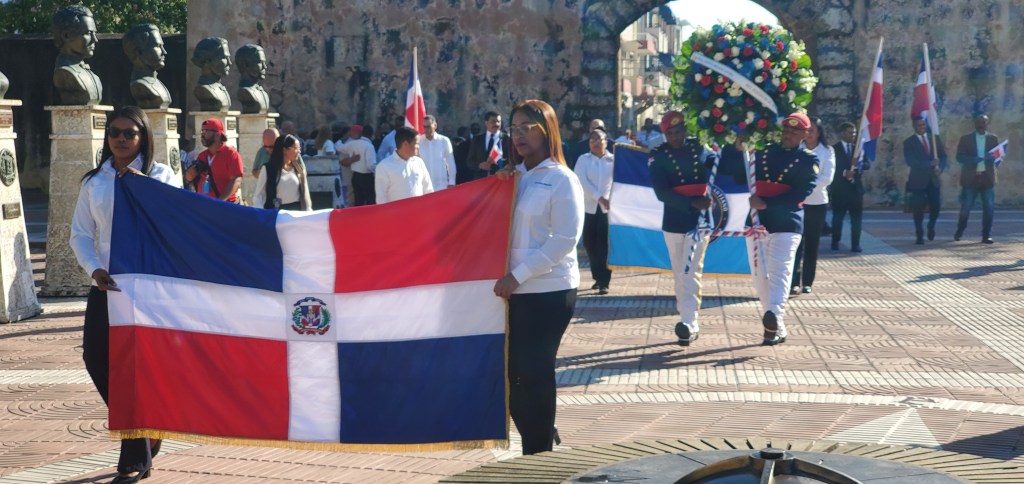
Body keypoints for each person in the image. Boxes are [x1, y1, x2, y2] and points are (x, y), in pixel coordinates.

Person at [70, 106, 176, 483]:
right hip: (106, 285)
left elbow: (175, 226)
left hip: (146, 288)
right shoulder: (94, 181)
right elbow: (81, 233)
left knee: (137, 369)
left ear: (143, 137)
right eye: (114, 131)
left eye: (129, 133)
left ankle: (134, 455)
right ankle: (146, 427)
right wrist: (93, 269)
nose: (120, 138)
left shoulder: (161, 177)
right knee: (95, 357)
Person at [493, 99, 583, 455]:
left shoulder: (562, 179)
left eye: (526, 127)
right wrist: (498, 187)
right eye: (513, 129)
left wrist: (518, 276)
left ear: (547, 130)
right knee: (508, 374)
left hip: (548, 291)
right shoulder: (516, 178)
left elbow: (564, 239)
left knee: (534, 371)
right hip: (514, 290)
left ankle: (538, 451)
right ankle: (542, 427)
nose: (518, 135)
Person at [736, 113, 818, 345]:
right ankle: (774, 322)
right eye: (786, 130)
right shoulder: (763, 151)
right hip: (756, 222)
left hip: (786, 223)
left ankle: (773, 316)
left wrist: (767, 203)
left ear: (804, 135)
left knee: (780, 273)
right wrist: (738, 148)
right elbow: (736, 173)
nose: (789, 135)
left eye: (795, 132)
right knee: (760, 276)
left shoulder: (808, 160)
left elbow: (800, 193)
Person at [649, 111, 717, 345]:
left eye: (679, 131)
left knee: (691, 270)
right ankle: (685, 317)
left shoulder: (699, 148)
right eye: (670, 133)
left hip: (698, 222)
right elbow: (661, 193)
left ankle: (690, 321)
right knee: (680, 273)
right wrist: (691, 202)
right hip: (674, 221)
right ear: (664, 134)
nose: (676, 136)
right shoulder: (659, 156)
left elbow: (717, 164)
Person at [791, 118, 835, 295]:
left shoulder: (827, 151)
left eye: (812, 131)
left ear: (819, 133)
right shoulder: (797, 149)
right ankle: (794, 281)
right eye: (806, 131)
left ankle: (807, 281)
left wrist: (806, 185)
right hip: (796, 201)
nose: (808, 135)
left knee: (812, 243)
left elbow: (827, 177)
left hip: (817, 202)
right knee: (795, 243)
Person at [573, 127, 614, 294]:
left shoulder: (614, 160)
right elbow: (581, 180)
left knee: (605, 245)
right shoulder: (583, 160)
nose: (596, 143)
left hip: (607, 209)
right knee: (590, 244)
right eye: (592, 140)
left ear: (606, 142)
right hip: (588, 207)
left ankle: (605, 280)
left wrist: (608, 199)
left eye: (599, 139)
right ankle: (597, 276)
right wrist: (599, 197)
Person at [954, 114, 1000, 243]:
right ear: (975, 124)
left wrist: (993, 158)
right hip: (971, 178)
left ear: (987, 124)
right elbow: (959, 157)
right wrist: (972, 160)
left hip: (987, 177)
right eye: (979, 122)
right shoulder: (966, 139)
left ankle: (986, 235)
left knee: (989, 208)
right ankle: (960, 229)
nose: (981, 125)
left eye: (983, 122)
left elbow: (998, 156)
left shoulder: (993, 139)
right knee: (966, 207)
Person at [903, 116, 947, 244]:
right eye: (919, 126)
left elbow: (943, 156)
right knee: (917, 208)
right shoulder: (909, 142)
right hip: (918, 181)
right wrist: (929, 164)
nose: (922, 128)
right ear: (914, 127)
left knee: (936, 206)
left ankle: (931, 225)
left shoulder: (934, 139)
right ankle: (919, 234)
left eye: (923, 125)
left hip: (933, 179)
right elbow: (911, 161)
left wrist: (940, 167)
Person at [51, 5, 102, 105]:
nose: (95, 39)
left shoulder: (91, 74)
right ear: (67, 36)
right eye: (88, 33)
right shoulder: (64, 73)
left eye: (94, 33)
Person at [185, 118, 243, 203]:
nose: (203, 135)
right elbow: (189, 178)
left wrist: (220, 202)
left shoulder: (231, 154)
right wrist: (190, 173)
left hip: (227, 207)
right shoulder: (202, 156)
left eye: (206, 131)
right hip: (206, 206)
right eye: (202, 131)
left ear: (218, 134)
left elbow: (236, 180)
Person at [829, 122, 865, 252]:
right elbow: (831, 168)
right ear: (843, 133)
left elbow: (867, 164)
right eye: (850, 133)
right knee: (838, 218)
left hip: (856, 190)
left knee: (856, 219)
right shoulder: (833, 149)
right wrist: (844, 172)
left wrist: (858, 165)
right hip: (840, 190)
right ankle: (835, 241)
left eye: (854, 133)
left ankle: (856, 244)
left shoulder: (858, 149)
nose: (853, 136)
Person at [252, 134, 312, 210]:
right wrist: (261, 214)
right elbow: (259, 195)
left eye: (299, 148)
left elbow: (305, 192)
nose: (299, 151)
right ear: (285, 150)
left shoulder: (297, 168)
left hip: (296, 213)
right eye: (296, 148)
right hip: (277, 214)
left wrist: (308, 210)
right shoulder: (268, 169)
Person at [375, 126, 433, 203]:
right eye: (416, 144)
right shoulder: (384, 167)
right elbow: (381, 198)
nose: (418, 147)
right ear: (405, 144)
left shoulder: (419, 162)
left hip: (419, 212)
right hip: (396, 214)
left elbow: (428, 189)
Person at [122, 23, 170, 109]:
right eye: (158, 46)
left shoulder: (157, 82)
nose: (164, 52)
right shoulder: (139, 85)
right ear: (139, 51)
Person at [338, 125, 377, 205]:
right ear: (371, 135)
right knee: (370, 201)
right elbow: (370, 165)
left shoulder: (352, 144)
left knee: (358, 201)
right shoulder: (369, 146)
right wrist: (378, 170)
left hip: (355, 176)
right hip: (367, 177)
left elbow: (339, 148)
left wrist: (340, 140)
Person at [191, 37, 232, 112]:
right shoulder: (203, 89)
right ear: (208, 60)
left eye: (229, 58)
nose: (230, 63)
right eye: (224, 57)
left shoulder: (220, 87)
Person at [467, 111, 508, 180]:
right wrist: (479, 165)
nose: (496, 124)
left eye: (499, 121)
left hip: (500, 180)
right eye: (493, 121)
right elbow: (469, 161)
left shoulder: (506, 139)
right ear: (486, 123)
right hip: (481, 181)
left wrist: (501, 163)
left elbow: (512, 160)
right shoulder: (477, 139)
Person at [419, 115, 457, 190]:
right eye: (424, 127)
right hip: (424, 186)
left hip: (441, 185)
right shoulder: (418, 141)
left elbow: (450, 163)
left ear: (435, 126)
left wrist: (451, 182)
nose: (426, 129)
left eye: (428, 126)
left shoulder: (444, 141)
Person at [235, 44, 270, 114]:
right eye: (260, 62)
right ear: (246, 65)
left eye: (264, 62)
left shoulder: (261, 91)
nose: (265, 66)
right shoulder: (245, 92)